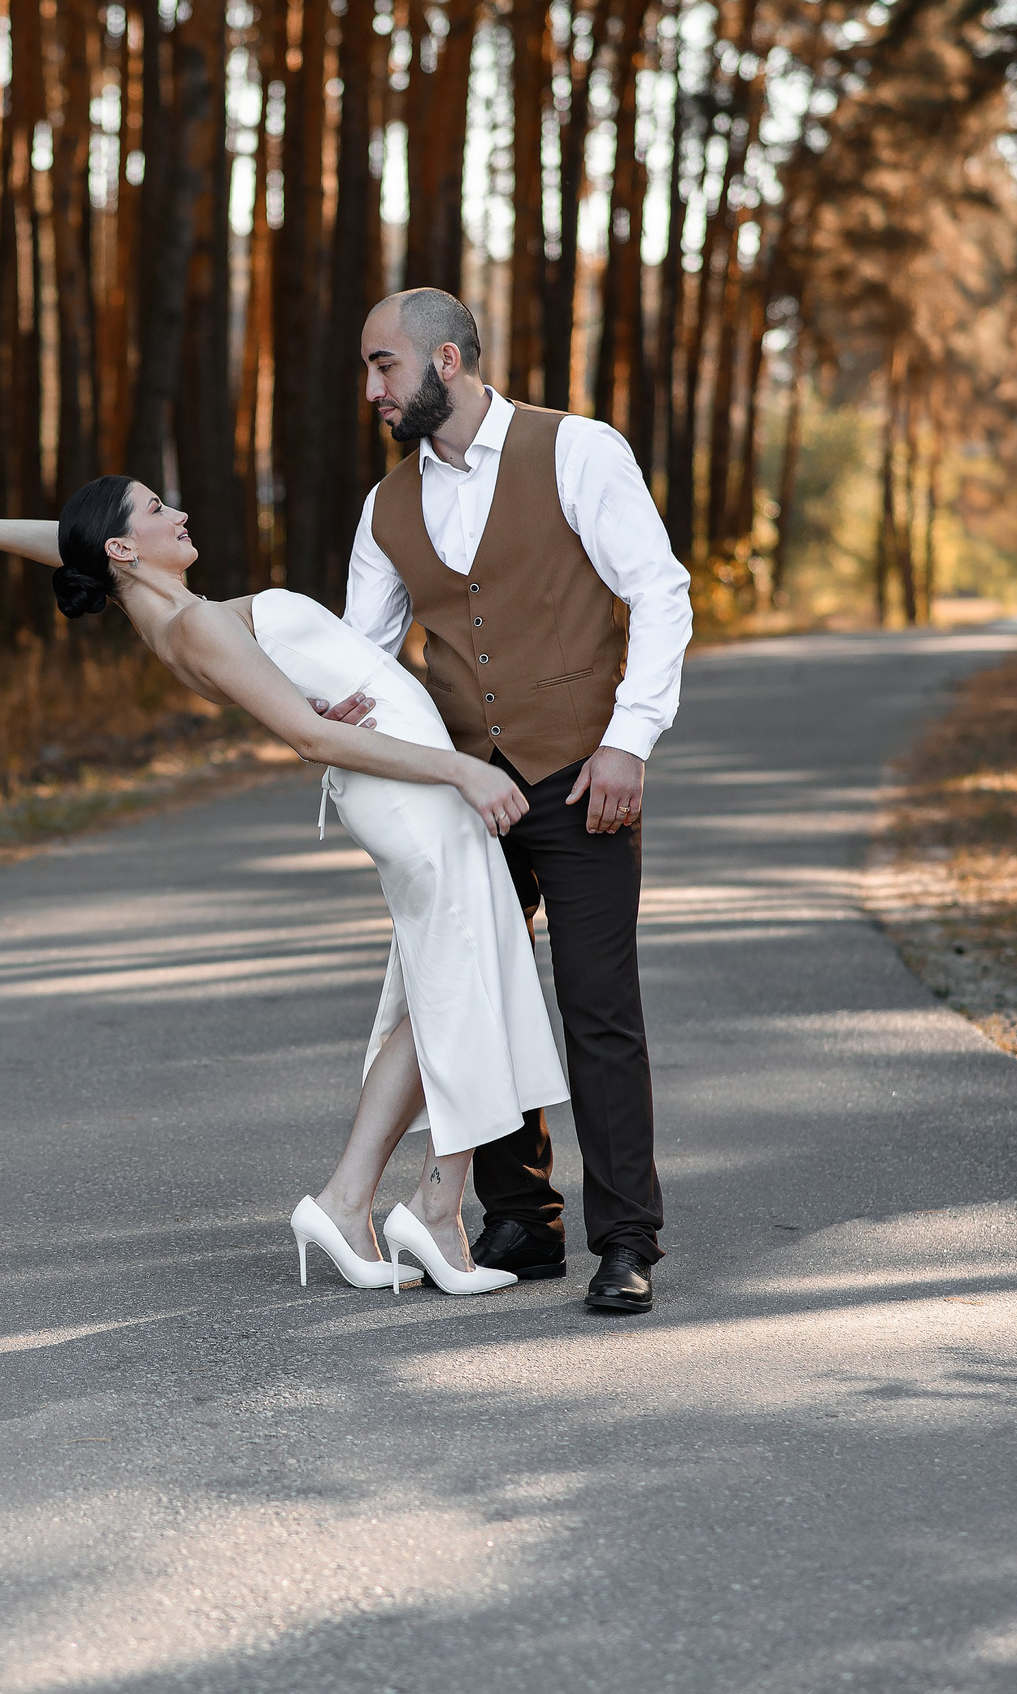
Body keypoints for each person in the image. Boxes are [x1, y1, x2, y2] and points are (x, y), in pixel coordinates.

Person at [0, 476, 570, 1296]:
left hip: (404, 789)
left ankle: (357, 1201)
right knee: (462, 972)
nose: (180, 512)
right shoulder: (196, 620)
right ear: (124, 547)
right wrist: (460, 768)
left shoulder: (166, 613)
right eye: (154, 509)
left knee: (450, 979)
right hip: (413, 790)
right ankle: (427, 1204)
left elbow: (74, 542)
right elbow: (312, 735)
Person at [339, 288, 692, 1314]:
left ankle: (625, 1240)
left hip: (583, 777)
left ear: (444, 362)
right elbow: (361, 666)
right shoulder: (385, 509)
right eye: (369, 371)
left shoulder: (576, 451)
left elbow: (658, 592)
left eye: (383, 366)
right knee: (465, 1002)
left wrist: (629, 741)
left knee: (597, 1009)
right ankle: (518, 1220)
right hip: (466, 796)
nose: (372, 389)